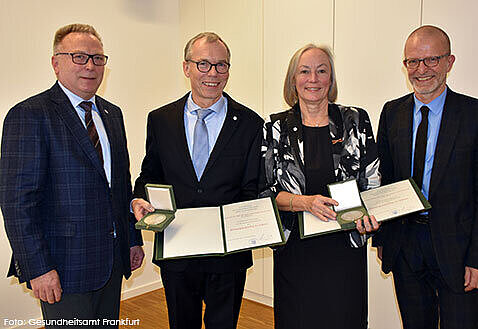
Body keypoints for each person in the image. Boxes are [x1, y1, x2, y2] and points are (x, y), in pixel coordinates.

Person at [0, 24, 144, 327]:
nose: (90, 66)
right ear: (56, 63)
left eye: (98, 58)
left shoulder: (111, 114)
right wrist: (38, 268)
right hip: (63, 267)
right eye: (79, 57)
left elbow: (120, 187)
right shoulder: (29, 114)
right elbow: (17, 203)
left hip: (110, 261)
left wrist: (132, 239)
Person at [131, 32, 263, 329]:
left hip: (228, 256)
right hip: (178, 249)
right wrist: (140, 197)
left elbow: (252, 188)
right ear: (186, 67)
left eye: (221, 65)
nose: (213, 73)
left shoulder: (251, 123)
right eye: (203, 64)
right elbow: (150, 174)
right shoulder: (161, 119)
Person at [259, 43, 380, 329]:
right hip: (296, 252)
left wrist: (370, 217)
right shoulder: (275, 128)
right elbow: (265, 193)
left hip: (344, 250)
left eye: (321, 71)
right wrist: (305, 202)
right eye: (304, 71)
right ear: (293, 80)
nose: (313, 79)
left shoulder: (355, 120)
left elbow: (373, 180)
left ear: (331, 79)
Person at [373, 25, 478, 329]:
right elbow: (386, 178)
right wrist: (383, 238)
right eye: (412, 62)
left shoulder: (472, 115)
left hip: (458, 249)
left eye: (432, 60)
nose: (421, 70)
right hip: (406, 245)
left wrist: (476, 257)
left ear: (450, 61)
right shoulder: (392, 112)